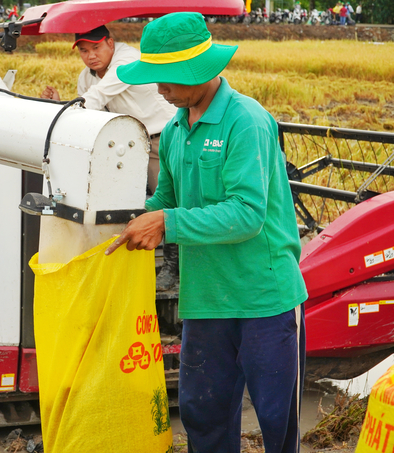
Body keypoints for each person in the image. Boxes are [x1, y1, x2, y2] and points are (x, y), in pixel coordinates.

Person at [106, 12, 308, 453]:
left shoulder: (246, 122)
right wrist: (126, 220)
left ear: (196, 71)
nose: (159, 89)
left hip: (263, 298)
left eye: (166, 78)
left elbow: (247, 214)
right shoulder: (176, 130)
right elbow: (165, 199)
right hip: (207, 298)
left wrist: (167, 224)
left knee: (277, 418)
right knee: (203, 412)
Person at [40, 25, 177, 195]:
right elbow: (87, 117)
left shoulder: (128, 60)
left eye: (96, 48)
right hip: (129, 144)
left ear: (110, 43)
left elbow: (99, 95)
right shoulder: (86, 77)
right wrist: (58, 105)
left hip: (163, 139)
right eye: (84, 51)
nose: (91, 56)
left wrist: (65, 111)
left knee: (167, 200)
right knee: (127, 200)